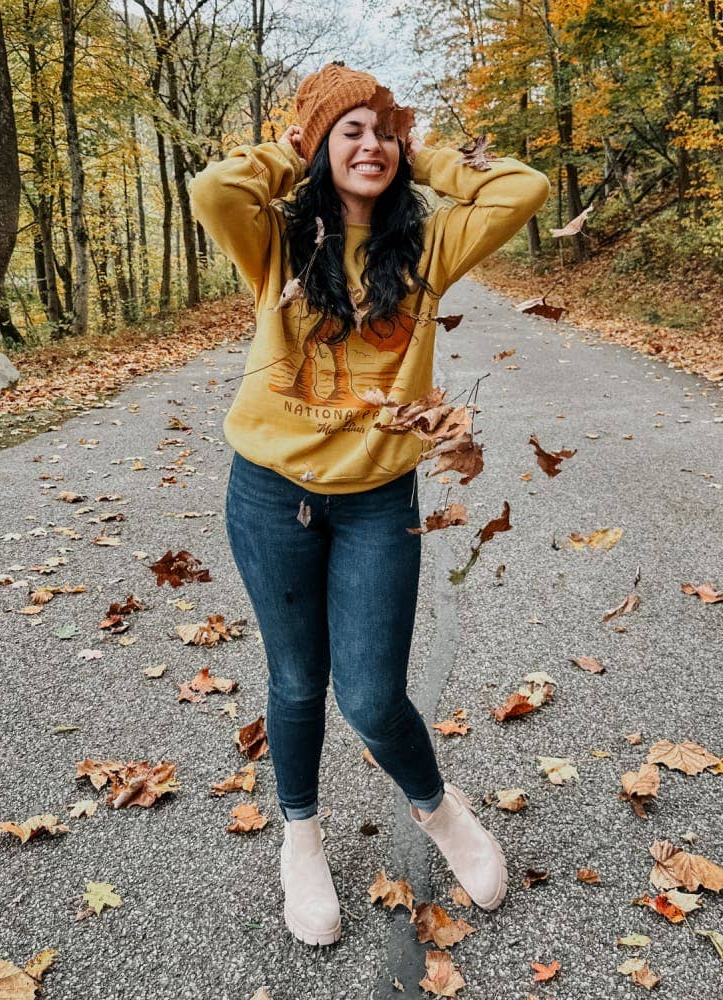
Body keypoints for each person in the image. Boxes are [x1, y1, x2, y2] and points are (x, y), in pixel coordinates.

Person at [190, 61, 550, 947]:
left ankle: (441, 812)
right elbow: (210, 187)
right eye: (349, 130)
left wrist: (427, 154)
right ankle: (301, 839)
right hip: (270, 495)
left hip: (379, 500)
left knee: (375, 695)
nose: (371, 144)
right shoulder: (277, 242)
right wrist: (291, 149)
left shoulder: (426, 249)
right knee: (296, 681)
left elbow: (524, 187)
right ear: (318, 148)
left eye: (382, 131)